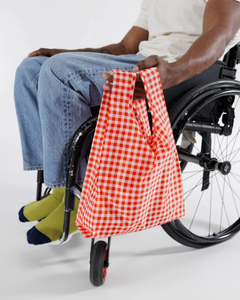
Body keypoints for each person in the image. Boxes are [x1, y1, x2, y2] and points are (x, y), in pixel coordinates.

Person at [14, 0, 240, 245]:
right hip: (137, 61)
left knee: (58, 72)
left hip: (179, 72)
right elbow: (125, 46)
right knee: (31, 69)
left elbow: (219, 34)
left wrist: (173, 71)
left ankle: (80, 195)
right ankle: (61, 189)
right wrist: (69, 54)